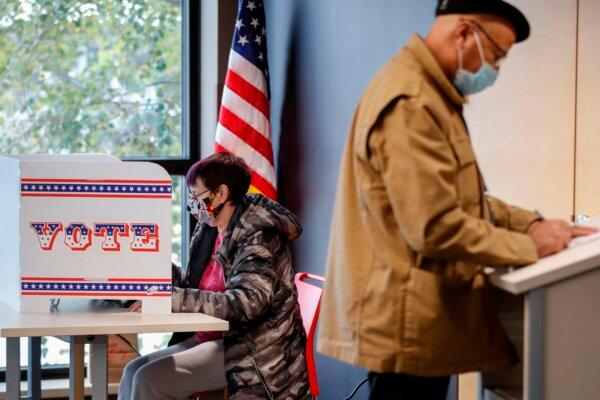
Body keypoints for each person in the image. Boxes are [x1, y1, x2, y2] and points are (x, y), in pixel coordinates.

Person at [316, 1, 597, 399]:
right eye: (496, 55)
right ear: (464, 33)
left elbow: (462, 201)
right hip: (407, 323)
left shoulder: (430, 93)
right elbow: (435, 227)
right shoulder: (412, 101)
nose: (495, 70)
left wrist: (529, 223)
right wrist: (530, 246)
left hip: (415, 318)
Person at [119, 152, 309, 400]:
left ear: (220, 193)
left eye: (195, 196)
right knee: (133, 370)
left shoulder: (258, 236)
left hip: (255, 351)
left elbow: (246, 303)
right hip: (213, 339)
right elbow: (196, 286)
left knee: (149, 379)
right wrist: (149, 265)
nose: (191, 205)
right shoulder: (210, 229)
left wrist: (172, 297)